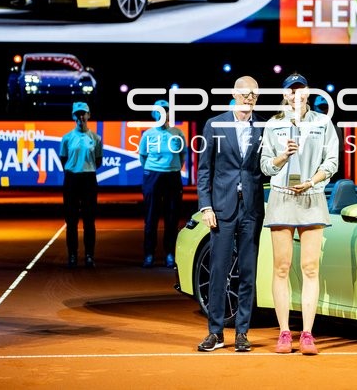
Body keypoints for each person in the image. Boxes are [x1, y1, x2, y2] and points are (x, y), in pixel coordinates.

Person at [260, 73, 339, 355]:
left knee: (310, 268)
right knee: (281, 268)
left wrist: (313, 180)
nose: (296, 95)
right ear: (284, 95)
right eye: (291, 91)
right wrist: (282, 157)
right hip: (281, 197)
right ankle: (284, 333)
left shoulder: (322, 122)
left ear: (308, 93)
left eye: (301, 90)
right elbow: (265, 166)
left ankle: (307, 333)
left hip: (312, 196)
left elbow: (332, 161)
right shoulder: (273, 125)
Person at [196, 76, 266, 353]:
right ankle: (215, 333)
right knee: (218, 271)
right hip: (222, 209)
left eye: (254, 93)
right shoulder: (214, 124)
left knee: (248, 273)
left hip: (251, 209)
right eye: (244, 92)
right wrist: (206, 206)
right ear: (234, 94)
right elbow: (204, 169)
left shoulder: (264, 126)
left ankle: (242, 332)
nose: (249, 97)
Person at [138, 100, 188, 268]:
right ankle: (149, 254)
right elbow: (143, 156)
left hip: (172, 177)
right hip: (153, 176)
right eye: (159, 111)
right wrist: (154, 169)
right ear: (155, 114)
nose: (163, 114)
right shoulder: (148, 135)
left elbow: (182, 155)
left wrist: (173, 168)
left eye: (166, 111)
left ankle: (169, 254)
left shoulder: (178, 133)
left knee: (172, 218)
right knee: (151, 218)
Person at [59, 101, 103, 269]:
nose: (81, 117)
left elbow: (98, 161)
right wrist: (75, 168)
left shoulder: (96, 138)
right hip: (71, 180)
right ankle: (72, 256)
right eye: (77, 114)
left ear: (89, 115)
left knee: (89, 221)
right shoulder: (67, 138)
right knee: (71, 221)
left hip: (89, 180)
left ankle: (89, 256)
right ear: (73, 117)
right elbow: (63, 159)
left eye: (83, 113)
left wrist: (86, 168)